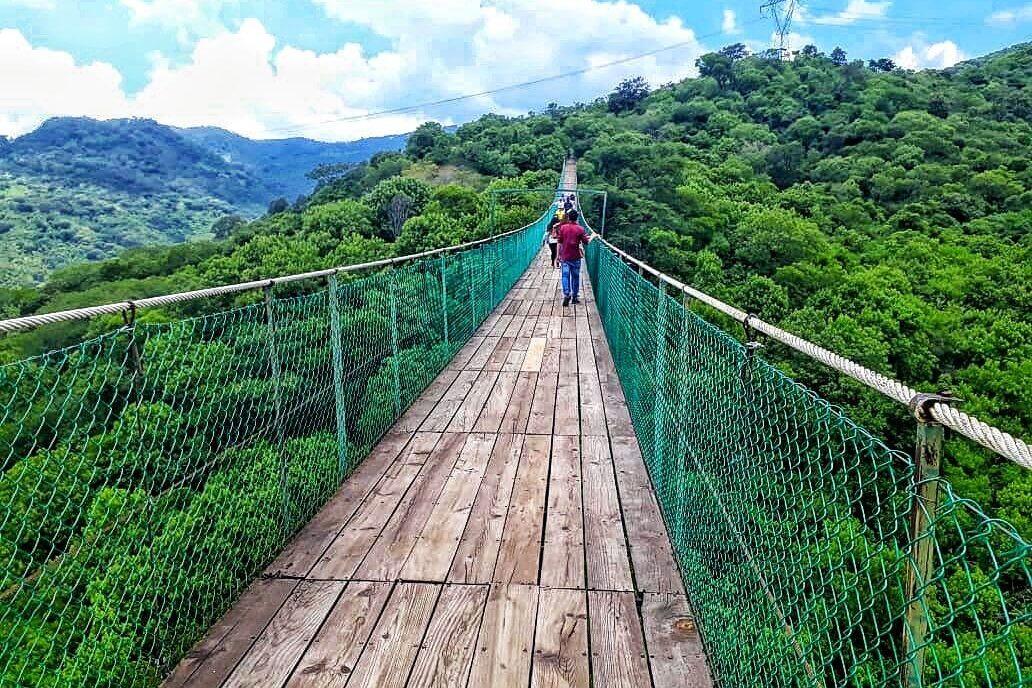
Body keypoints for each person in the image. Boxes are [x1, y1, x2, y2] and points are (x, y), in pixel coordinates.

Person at [556, 209, 592, 306]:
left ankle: (567, 294)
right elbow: (586, 242)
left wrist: (557, 256)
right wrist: (592, 237)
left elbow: (559, 242)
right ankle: (575, 297)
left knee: (565, 276)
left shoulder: (563, 228)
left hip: (565, 257)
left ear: (568, 217)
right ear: (577, 218)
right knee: (575, 277)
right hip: (575, 257)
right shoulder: (580, 229)